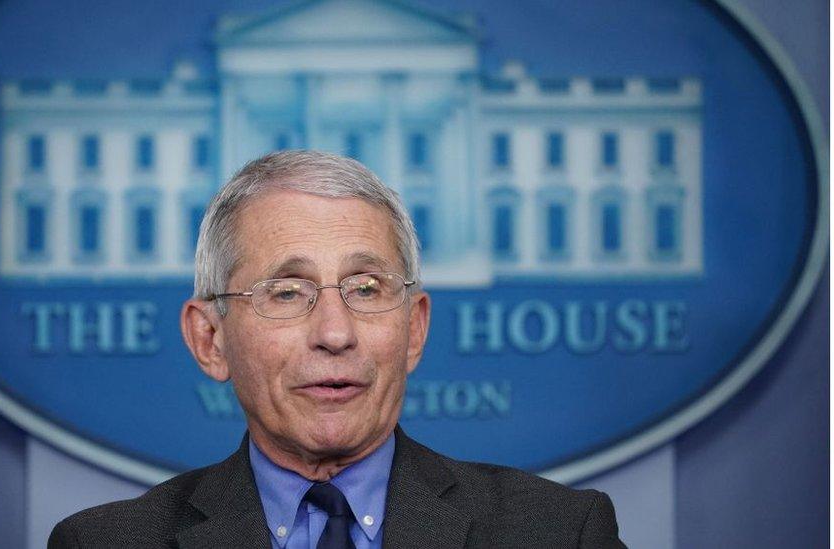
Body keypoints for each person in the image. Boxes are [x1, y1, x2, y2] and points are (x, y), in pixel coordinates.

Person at [49, 150, 625, 548]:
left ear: (415, 329)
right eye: (286, 292)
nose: (335, 332)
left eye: (367, 289)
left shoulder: (560, 534)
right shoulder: (102, 544)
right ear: (211, 338)